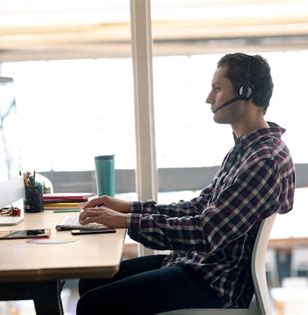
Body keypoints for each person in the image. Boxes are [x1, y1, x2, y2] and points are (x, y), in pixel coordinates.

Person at [76, 53, 295, 315]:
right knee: (90, 282)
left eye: (217, 88)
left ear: (245, 92)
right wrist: (128, 209)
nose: (209, 98)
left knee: (92, 305)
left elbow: (206, 231)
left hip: (214, 282)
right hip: (197, 264)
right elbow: (200, 206)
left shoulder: (264, 160)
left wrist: (127, 221)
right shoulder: (247, 149)